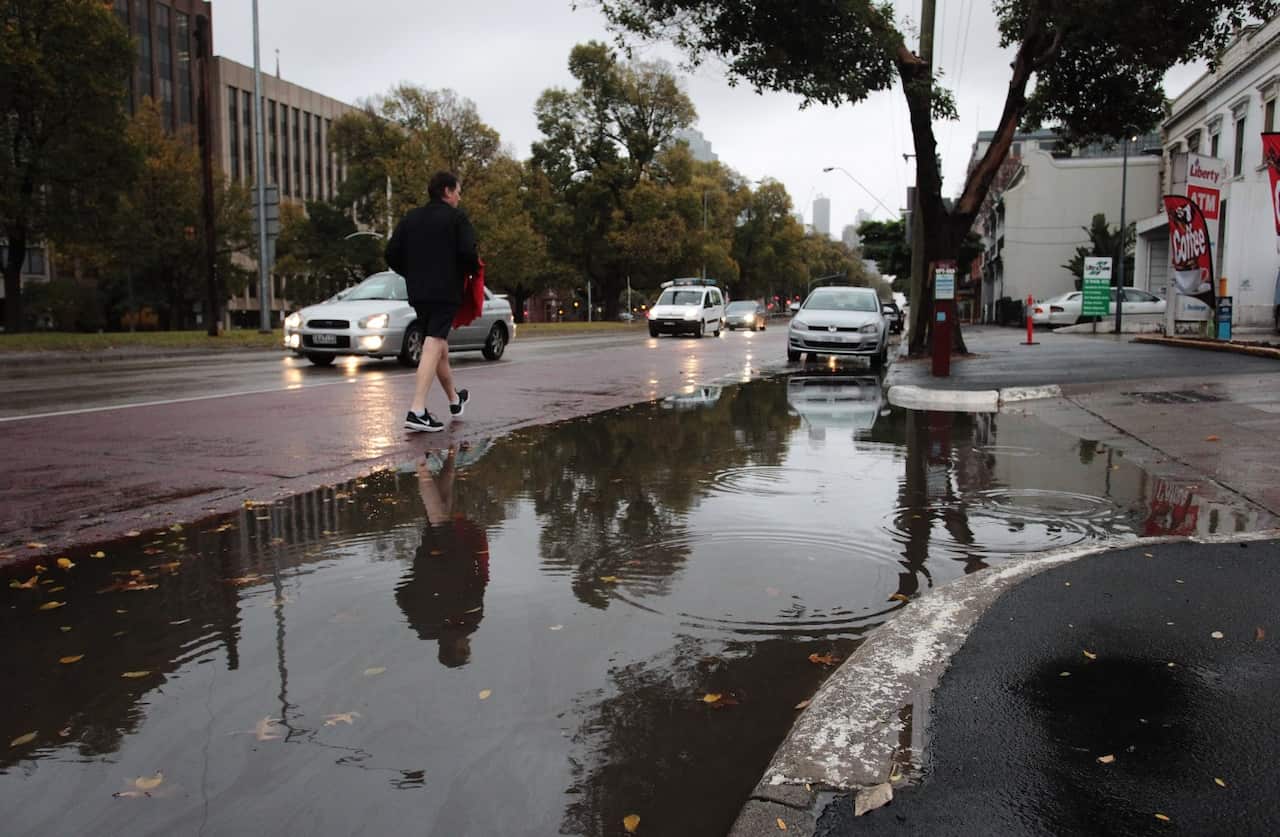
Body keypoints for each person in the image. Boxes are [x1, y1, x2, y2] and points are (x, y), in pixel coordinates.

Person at [385, 171, 480, 432]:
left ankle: (454, 399)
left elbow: (391, 253)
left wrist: (412, 272)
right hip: (446, 290)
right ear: (447, 191)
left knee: (438, 345)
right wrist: (467, 270)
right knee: (435, 341)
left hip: (418, 291)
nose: (459, 198)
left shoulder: (411, 218)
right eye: (458, 192)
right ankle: (417, 410)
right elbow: (468, 253)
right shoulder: (457, 218)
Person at [394, 446, 491, 667]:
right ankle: (447, 455)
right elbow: (402, 596)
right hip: (432, 561)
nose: (467, 643)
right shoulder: (425, 627)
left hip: (452, 559)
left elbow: (480, 584)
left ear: (454, 649)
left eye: (464, 648)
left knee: (439, 516)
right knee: (440, 514)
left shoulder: (466, 622)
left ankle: (424, 460)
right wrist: (418, 577)